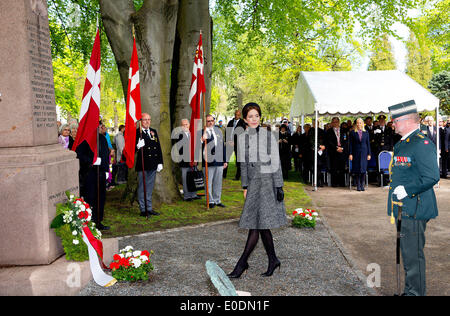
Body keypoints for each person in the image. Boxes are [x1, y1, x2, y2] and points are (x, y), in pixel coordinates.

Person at [228, 102, 286, 278]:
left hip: (267, 184)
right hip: (253, 185)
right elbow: (243, 164)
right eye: (250, 116)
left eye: (256, 116)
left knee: (258, 224)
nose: (254, 119)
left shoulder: (268, 135)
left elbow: (276, 163)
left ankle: (242, 263)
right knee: (260, 225)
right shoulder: (242, 137)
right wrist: (244, 186)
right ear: (245, 119)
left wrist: (279, 185)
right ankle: (272, 259)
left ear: (259, 117)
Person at [387, 100, 440, 296]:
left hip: (415, 207)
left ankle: (415, 293)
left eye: (395, 120)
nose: (393, 124)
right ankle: (410, 291)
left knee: (413, 255)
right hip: (404, 207)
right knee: (408, 254)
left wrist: (408, 190)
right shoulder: (403, 144)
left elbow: (432, 176)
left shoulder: (422, 143)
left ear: (407, 120)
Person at [75, 121, 110, 230]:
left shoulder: (102, 139)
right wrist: (92, 161)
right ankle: (89, 222)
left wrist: (105, 167)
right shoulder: (85, 139)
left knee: (101, 198)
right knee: (91, 197)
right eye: (99, 126)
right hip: (89, 173)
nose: (101, 127)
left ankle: (98, 221)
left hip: (101, 173)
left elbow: (106, 154)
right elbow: (79, 154)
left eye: (101, 126)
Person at [135, 113, 163, 217]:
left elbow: (158, 147)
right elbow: (131, 149)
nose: (147, 121)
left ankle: (149, 208)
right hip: (143, 164)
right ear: (141, 121)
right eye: (145, 120)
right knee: (143, 187)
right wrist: (137, 146)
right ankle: (143, 209)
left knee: (150, 187)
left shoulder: (153, 131)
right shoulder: (137, 132)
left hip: (153, 164)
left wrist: (160, 162)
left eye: (149, 119)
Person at [202, 114, 228, 208]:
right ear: (205, 122)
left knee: (218, 182)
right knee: (208, 182)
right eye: (208, 121)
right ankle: (210, 201)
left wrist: (225, 160)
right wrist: (202, 139)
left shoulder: (218, 131)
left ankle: (217, 200)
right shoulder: (202, 132)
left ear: (214, 121)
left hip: (219, 160)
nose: (210, 122)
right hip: (208, 161)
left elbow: (223, 146)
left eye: (212, 120)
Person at [176, 119, 200, 201]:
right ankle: (187, 196)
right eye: (183, 125)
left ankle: (193, 194)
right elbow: (181, 149)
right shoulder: (179, 135)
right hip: (185, 161)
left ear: (189, 125)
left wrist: (195, 159)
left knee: (193, 178)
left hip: (194, 161)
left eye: (186, 124)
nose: (185, 126)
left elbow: (196, 148)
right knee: (185, 179)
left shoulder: (192, 135)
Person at [349, 118, 371, 191]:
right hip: (356, 153)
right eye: (357, 123)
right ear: (356, 124)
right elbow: (350, 144)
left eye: (360, 123)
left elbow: (368, 144)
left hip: (364, 153)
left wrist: (369, 154)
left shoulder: (366, 133)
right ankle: (358, 185)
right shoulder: (352, 133)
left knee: (363, 169)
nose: (359, 124)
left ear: (363, 124)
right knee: (357, 169)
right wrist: (350, 154)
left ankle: (362, 185)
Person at [326, 117, 348, 187]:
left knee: (342, 168)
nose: (335, 123)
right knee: (334, 168)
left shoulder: (344, 130)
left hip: (342, 151)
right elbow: (329, 141)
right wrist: (336, 147)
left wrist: (342, 148)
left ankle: (342, 183)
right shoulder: (329, 131)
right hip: (333, 151)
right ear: (332, 123)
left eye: (336, 122)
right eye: (334, 122)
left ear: (339, 122)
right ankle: (334, 183)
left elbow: (346, 141)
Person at [225, 110, 246, 180]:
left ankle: (237, 176)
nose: (236, 116)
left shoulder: (242, 123)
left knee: (238, 160)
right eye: (236, 114)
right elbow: (227, 131)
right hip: (229, 143)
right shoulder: (230, 122)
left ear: (240, 115)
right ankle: (223, 174)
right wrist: (227, 141)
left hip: (238, 145)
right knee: (226, 159)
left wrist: (235, 143)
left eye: (238, 115)